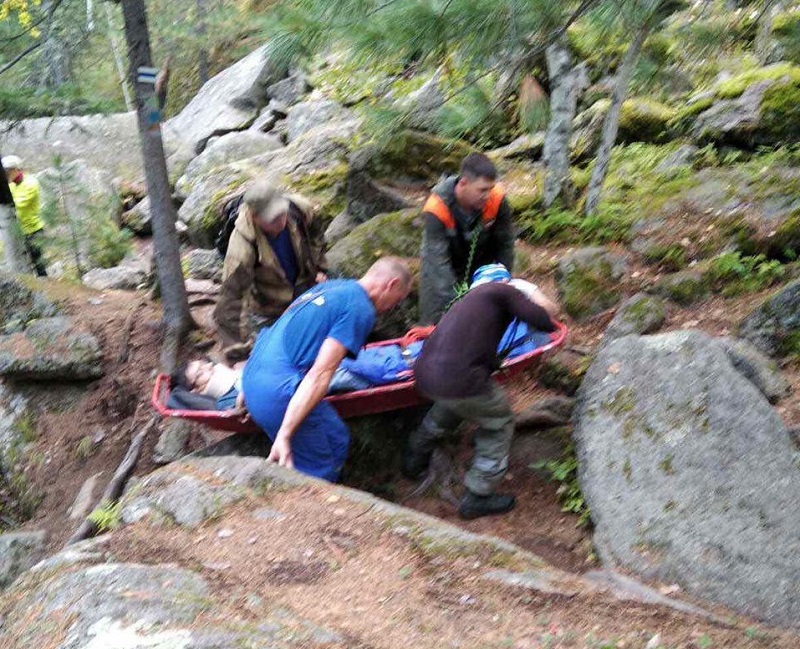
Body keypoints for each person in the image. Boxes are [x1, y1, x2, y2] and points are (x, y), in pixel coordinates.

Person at [403, 264, 558, 520]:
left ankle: (414, 458)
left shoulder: (466, 302)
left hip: (426, 376)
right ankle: (479, 494)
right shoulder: (503, 292)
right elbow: (544, 320)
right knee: (500, 421)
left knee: (451, 404)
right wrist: (527, 292)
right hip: (461, 380)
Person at [240, 256, 412, 481]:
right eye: (396, 300)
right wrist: (285, 433)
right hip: (276, 393)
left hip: (254, 377)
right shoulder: (360, 309)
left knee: (335, 436)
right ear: (391, 285)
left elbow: (281, 328)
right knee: (325, 459)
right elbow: (320, 374)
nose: (392, 308)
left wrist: (247, 388)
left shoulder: (332, 287)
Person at [213, 181, 328, 354]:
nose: (280, 222)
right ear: (254, 217)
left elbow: (317, 237)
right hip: (270, 304)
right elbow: (232, 299)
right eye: (272, 219)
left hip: (306, 283)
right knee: (280, 351)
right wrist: (237, 352)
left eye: (281, 214)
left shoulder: (299, 209)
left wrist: (320, 268)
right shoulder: (241, 246)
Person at [419, 152, 515, 324]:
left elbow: (505, 245)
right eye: (482, 190)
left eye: (490, 189)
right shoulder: (436, 209)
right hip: (446, 263)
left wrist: (502, 280)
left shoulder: (497, 199)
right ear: (463, 183)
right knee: (438, 312)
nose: (487, 196)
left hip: (482, 262)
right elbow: (438, 268)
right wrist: (458, 309)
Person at [2, 155, 47, 276]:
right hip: (17, 231)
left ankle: (45, 288)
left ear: (16, 169)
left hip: (33, 230)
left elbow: (17, 204)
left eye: (7, 171)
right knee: (22, 265)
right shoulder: (11, 185)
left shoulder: (31, 183)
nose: (5, 175)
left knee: (38, 264)